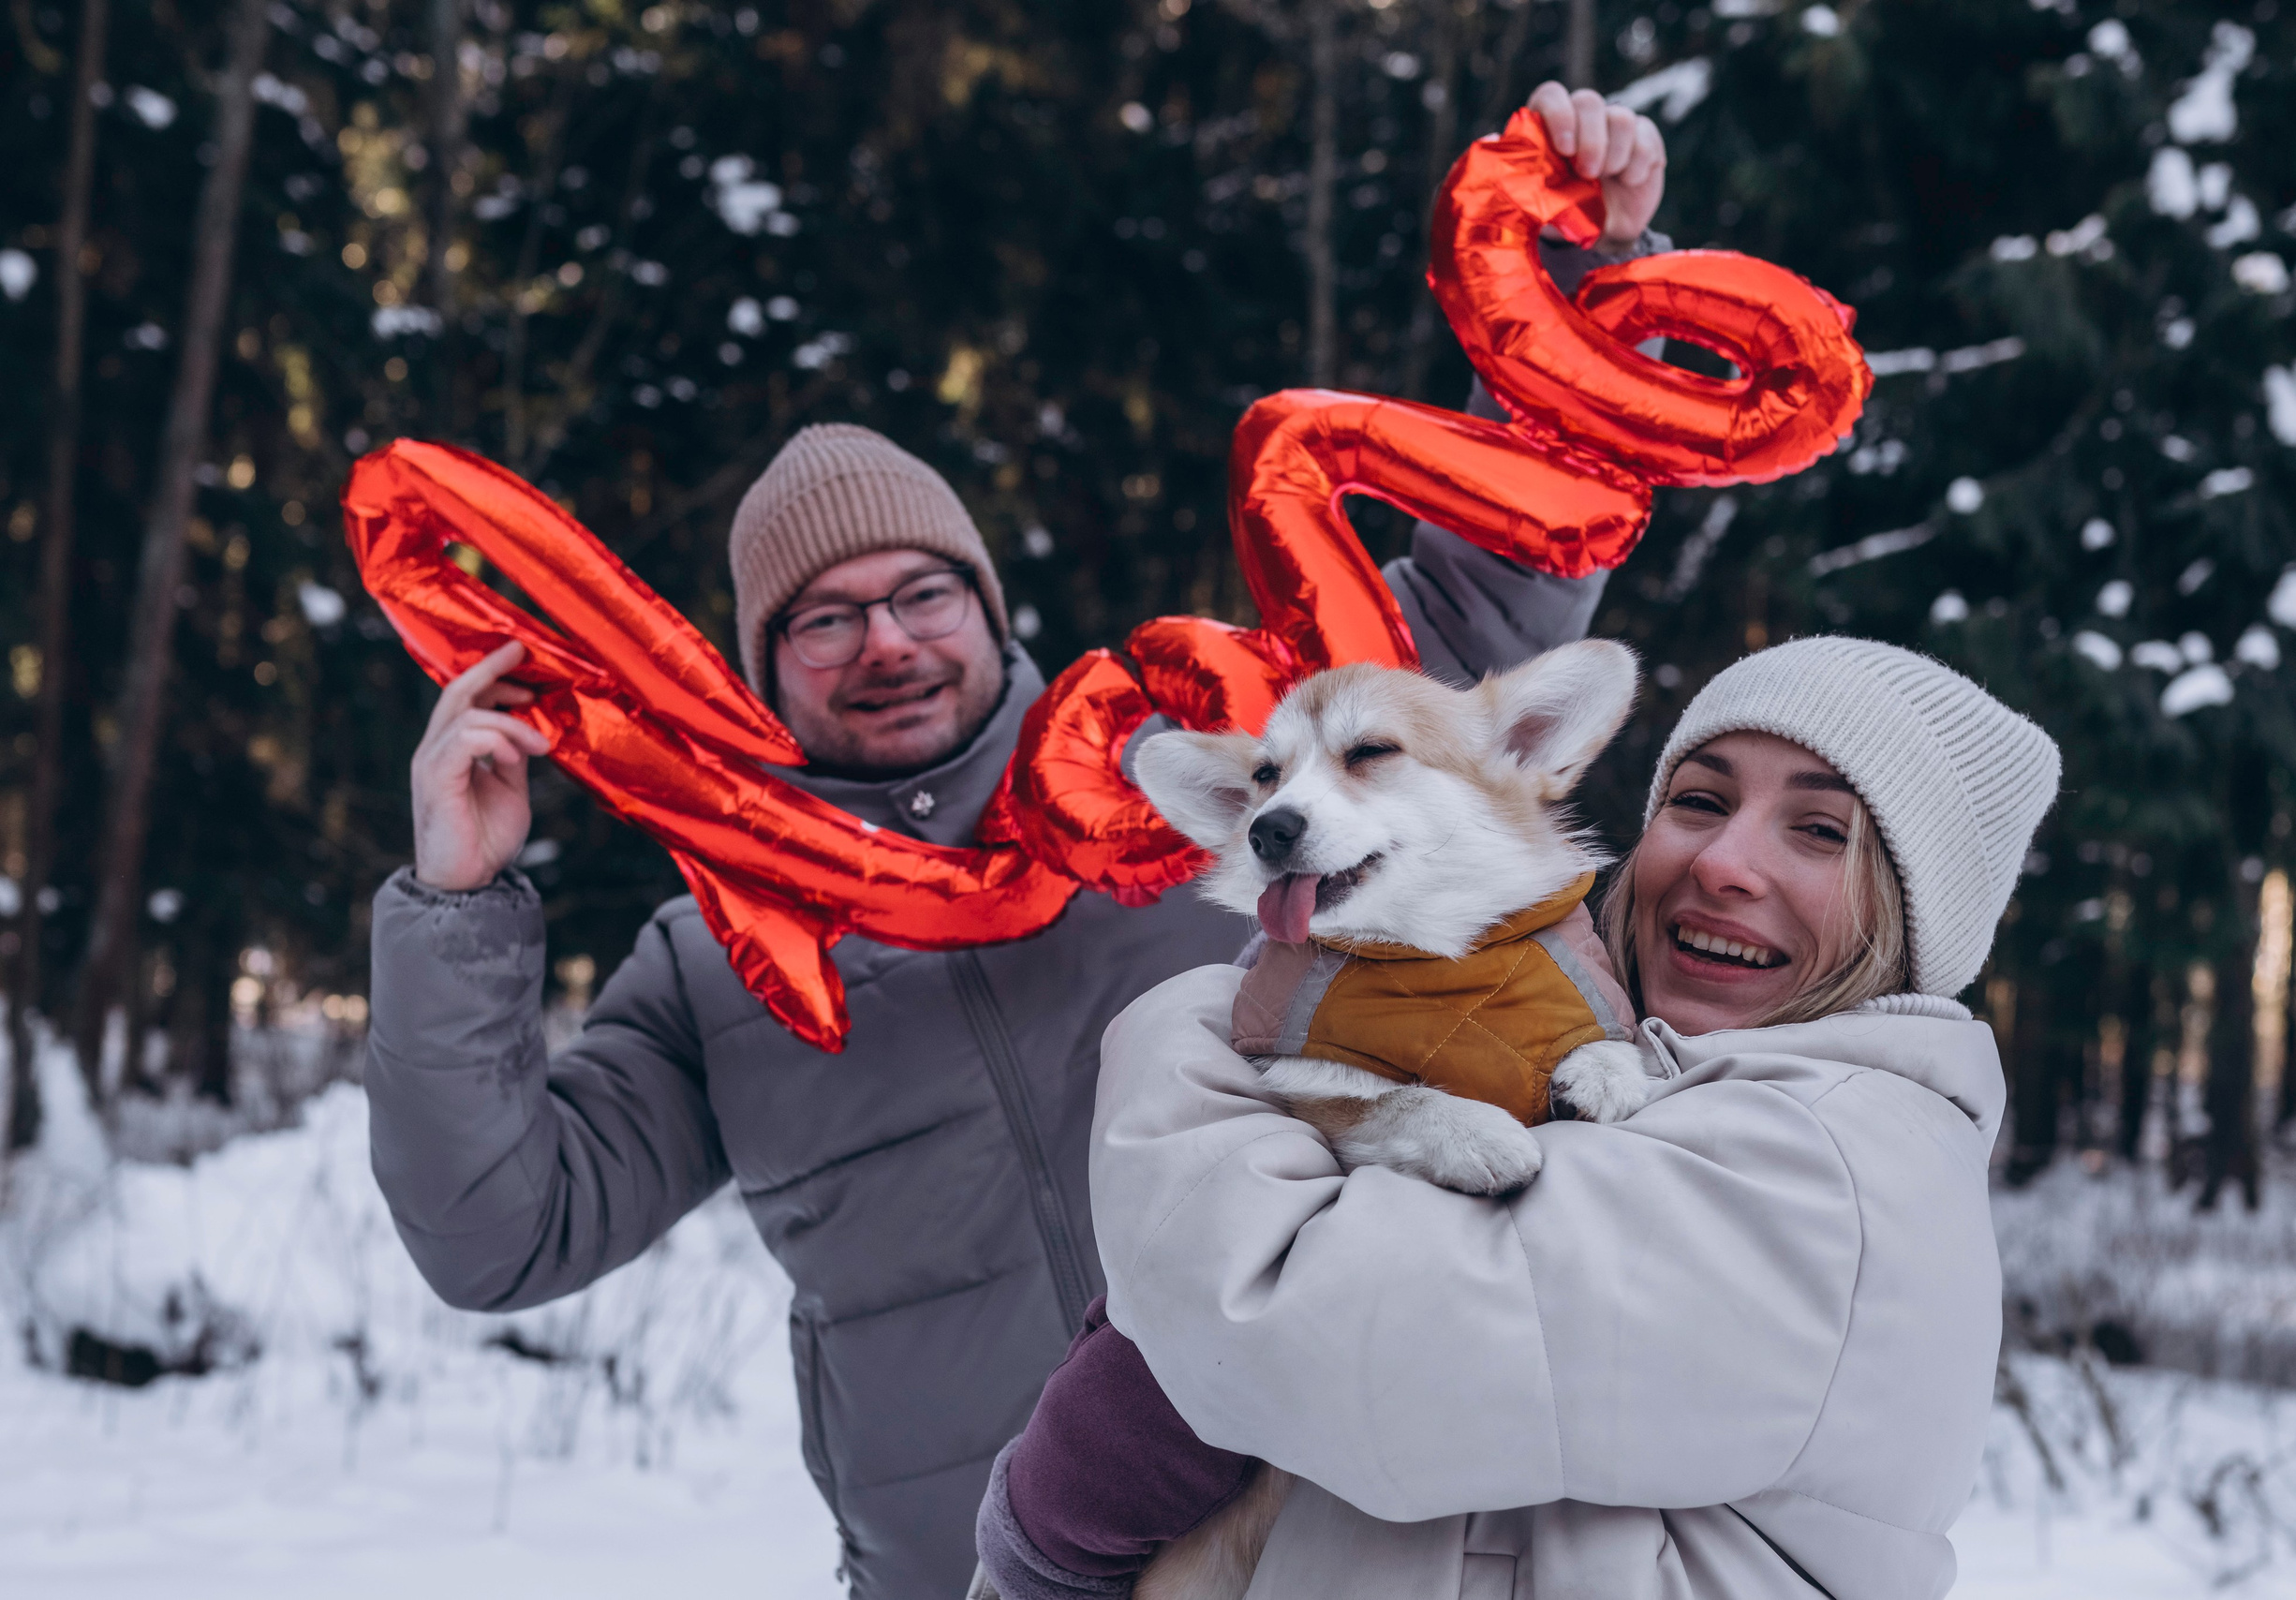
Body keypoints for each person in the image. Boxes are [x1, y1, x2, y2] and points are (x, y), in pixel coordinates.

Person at [364, 81, 1668, 1600]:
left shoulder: (1207, 778)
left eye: (925, 594)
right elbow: (502, 1234)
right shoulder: (719, 960)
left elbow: (1472, 610)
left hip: (1331, 1545)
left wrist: (1577, 280)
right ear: (762, 667)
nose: (887, 642)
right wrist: (453, 901)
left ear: (990, 613)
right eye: (824, 620)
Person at [975, 636, 2061, 1599]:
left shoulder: (1836, 1160)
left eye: (1819, 829)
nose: (1725, 863)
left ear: (1911, 909)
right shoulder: (1623, 1064)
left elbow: (1299, 1337)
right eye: (1697, 800)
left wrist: (1189, 1024)